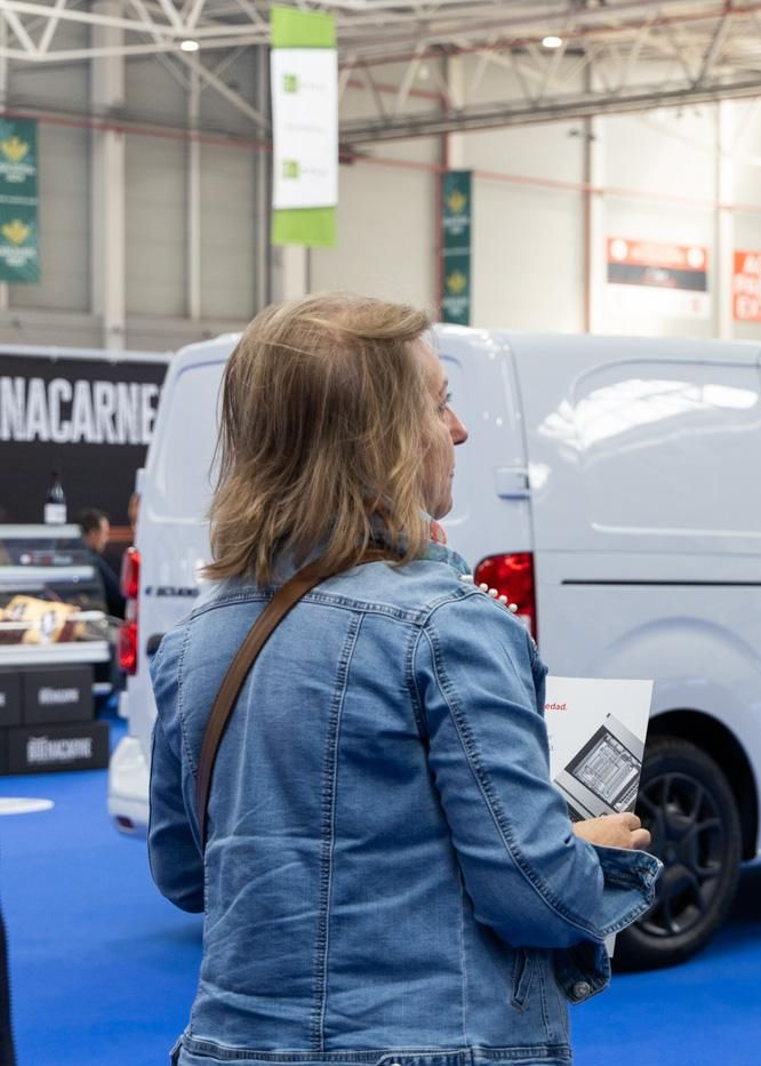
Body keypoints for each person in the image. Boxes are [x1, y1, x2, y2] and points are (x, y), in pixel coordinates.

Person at [147, 292, 659, 1066]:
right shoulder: (450, 628)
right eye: (439, 404)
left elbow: (187, 872)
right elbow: (534, 892)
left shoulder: (195, 642)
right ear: (378, 437)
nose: (456, 429)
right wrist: (594, 853)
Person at [77, 508, 126, 619]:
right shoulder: (93, 561)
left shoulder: (68, 558)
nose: (106, 539)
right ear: (93, 534)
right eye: (105, 534)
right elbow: (119, 599)